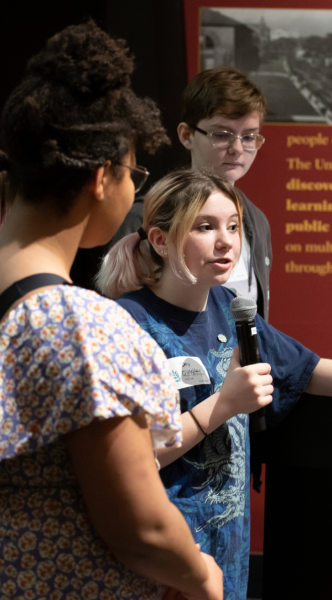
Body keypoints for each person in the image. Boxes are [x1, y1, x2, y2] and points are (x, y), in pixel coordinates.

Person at [96, 168, 332, 600]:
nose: (226, 241)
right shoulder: (127, 323)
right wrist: (225, 404)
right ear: (160, 240)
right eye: (205, 226)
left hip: (227, 542)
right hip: (166, 547)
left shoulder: (229, 306)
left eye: (233, 226)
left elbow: (304, 366)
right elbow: (137, 455)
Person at [0, 22, 222, 600]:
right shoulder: (77, 324)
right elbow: (142, 530)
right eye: (135, 175)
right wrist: (203, 576)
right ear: (103, 178)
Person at [176, 67, 271, 321]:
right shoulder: (149, 217)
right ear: (187, 135)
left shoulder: (257, 221)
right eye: (222, 135)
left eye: (249, 136)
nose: (237, 149)